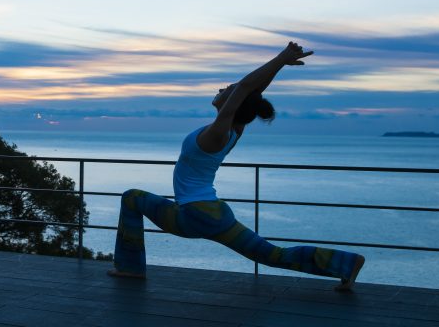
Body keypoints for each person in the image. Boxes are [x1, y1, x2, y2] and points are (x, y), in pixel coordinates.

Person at [107, 42, 365, 292]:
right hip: (215, 213)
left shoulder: (217, 134)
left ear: (232, 104)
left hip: (193, 215)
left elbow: (245, 88)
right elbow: (249, 91)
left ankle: (131, 267)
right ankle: (346, 262)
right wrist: (279, 66)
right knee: (272, 254)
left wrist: (281, 58)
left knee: (132, 198)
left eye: (226, 90)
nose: (221, 89)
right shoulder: (232, 132)